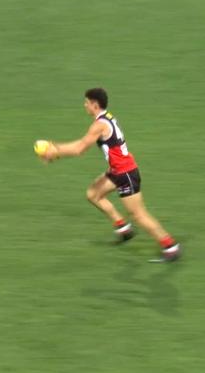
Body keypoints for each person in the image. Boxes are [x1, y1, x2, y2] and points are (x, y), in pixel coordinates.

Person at [38, 88, 181, 262]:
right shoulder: (107, 117)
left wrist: (55, 150)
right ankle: (123, 229)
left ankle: (170, 246)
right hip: (116, 171)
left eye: (87, 102)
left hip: (125, 173)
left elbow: (80, 149)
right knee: (93, 194)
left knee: (138, 215)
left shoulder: (99, 125)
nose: (85, 105)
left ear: (94, 104)